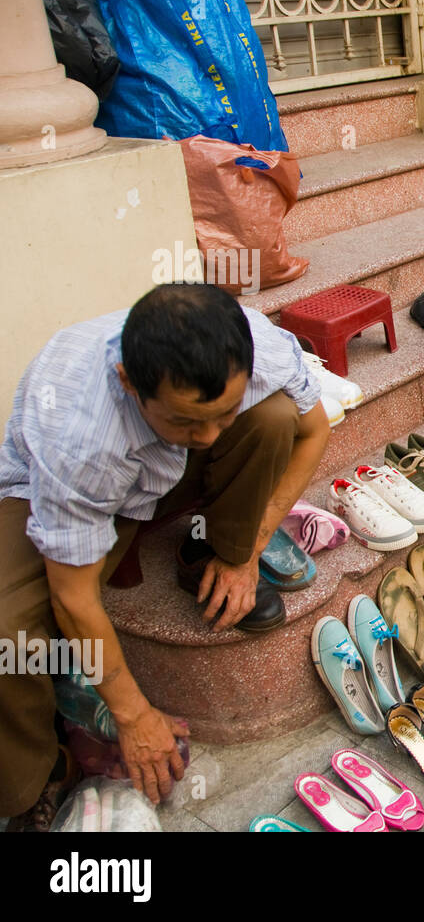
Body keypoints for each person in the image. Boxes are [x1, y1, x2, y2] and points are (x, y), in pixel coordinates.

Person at [0, 283, 331, 827]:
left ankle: (213, 549)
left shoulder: (253, 345)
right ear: (129, 382)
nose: (205, 438)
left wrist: (246, 548)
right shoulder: (80, 438)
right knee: (11, 632)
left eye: (221, 415)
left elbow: (312, 431)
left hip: (155, 474)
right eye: (183, 420)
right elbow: (73, 597)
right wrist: (134, 716)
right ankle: (38, 778)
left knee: (273, 418)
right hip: (85, 494)